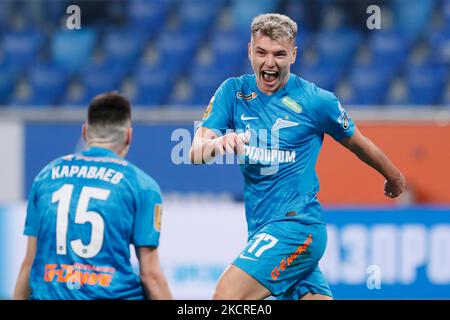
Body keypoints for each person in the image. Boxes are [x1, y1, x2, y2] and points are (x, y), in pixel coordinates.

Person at [189, 13, 406, 300]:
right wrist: (218, 144)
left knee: (227, 297)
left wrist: (393, 176)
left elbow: (358, 143)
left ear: (293, 54)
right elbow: (196, 153)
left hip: (297, 226)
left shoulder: (316, 101)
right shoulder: (233, 92)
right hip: (263, 228)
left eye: (279, 54)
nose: (269, 63)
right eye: (261, 52)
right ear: (249, 52)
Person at [13, 92, 172, 300]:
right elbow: (150, 276)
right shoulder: (142, 185)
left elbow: (30, 262)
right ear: (128, 136)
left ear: (85, 132)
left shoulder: (46, 176)